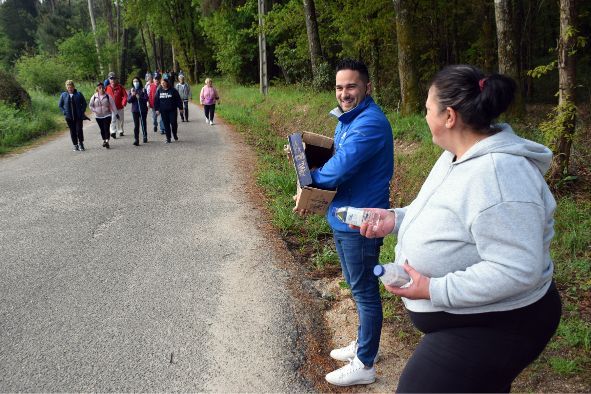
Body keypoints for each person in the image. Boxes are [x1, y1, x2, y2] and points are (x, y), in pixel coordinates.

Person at [358, 64, 562, 393]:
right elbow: (443, 212)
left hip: (502, 321)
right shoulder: (457, 154)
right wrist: (395, 218)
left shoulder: (499, 176)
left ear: (449, 116)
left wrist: (434, 289)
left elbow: (518, 268)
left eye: (427, 109)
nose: (425, 117)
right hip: (472, 317)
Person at [294, 59, 393, 386]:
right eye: (339, 87)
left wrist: (308, 178)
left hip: (361, 222)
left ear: (367, 87)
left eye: (351, 86)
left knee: (364, 291)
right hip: (342, 216)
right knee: (357, 285)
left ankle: (365, 363)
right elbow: (336, 156)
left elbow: (338, 168)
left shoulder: (369, 124)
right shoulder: (348, 120)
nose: (344, 93)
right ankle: (365, 345)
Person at [58, 80, 88, 151]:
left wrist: (82, 111)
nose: (70, 89)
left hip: (78, 116)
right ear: (66, 88)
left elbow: (84, 103)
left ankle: (81, 144)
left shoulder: (79, 94)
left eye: (71, 87)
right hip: (69, 117)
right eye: (68, 87)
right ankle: (75, 145)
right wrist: (64, 112)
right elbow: (60, 105)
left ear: (74, 87)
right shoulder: (63, 95)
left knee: (79, 130)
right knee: (72, 131)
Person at [154, 73, 183, 144]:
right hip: (163, 111)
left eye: (164, 83)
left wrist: (180, 108)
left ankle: (174, 134)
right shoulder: (159, 91)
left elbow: (178, 99)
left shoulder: (173, 90)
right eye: (162, 83)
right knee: (166, 124)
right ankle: (168, 138)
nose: (163, 84)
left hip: (172, 110)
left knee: (173, 123)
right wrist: (157, 109)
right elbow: (156, 100)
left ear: (167, 83)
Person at [89, 82, 117, 149]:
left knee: (106, 128)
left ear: (104, 88)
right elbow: (90, 105)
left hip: (107, 115)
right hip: (98, 116)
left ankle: (107, 141)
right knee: (102, 129)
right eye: (99, 88)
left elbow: (113, 105)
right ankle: (104, 140)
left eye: (102, 87)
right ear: (97, 89)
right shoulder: (94, 96)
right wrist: (95, 110)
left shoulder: (108, 96)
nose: (101, 89)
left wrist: (116, 113)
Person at [128, 77, 149, 146]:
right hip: (135, 110)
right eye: (134, 81)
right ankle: (136, 139)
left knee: (143, 123)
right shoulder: (131, 90)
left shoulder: (143, 89)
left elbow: (146, 98)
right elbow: (129, 100)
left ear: (139, 82)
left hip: (143, 109)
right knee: (136, 125)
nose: (135, 83)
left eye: (136, 81)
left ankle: (145, 136)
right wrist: (133, 95)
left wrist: (140, 97)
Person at [105, 72, 127, 138]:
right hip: (111, 108)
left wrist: (124, 102)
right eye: (111, 79)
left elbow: (125, 95)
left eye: (114, 78)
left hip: (120, 106)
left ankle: (120, 130)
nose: (113, 80)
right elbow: (104, 97)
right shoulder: (107, 88)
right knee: (112, 119)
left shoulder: (120, 87)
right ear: (109, 80)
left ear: (116, 79)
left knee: (120, 119)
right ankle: (113, 132)